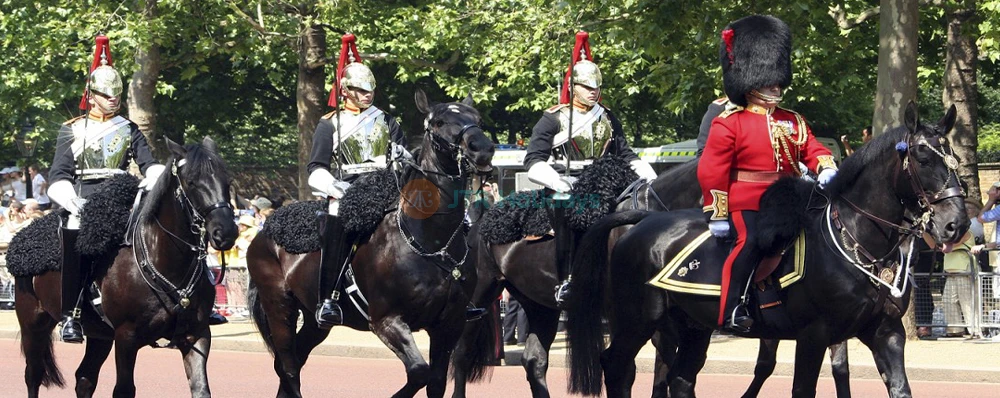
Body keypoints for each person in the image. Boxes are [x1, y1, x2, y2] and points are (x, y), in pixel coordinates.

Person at [698, 15, 838, 333]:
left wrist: (826, 167)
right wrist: (717, 212)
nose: (775, 85)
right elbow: (712, 170)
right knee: (748, 244)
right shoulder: (730, 122)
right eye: (767, 80)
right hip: (746, 201)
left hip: (790, 198)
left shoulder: (792, 120)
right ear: (749, 82)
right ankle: (731, 308)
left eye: (777, 79)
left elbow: (812, 149)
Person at [524, 31, 658, 306]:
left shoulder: (607, 116)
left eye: (597, 86)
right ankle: (566, 279)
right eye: (587, 86)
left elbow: (625, 152)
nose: (594, 91)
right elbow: (534, 159)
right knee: (567, 213)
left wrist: (649, 174)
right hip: (566, 180)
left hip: (607, 180)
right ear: (573, 87)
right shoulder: (553, 118)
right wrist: (557, 181)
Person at [47, 35, 167, 343]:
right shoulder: (72, 129)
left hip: (122, 195)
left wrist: (155, 177)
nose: (112, 98)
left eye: (116, 93)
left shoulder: (128, 129)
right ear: (91, 94)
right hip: (83, 198)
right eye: (105, 93)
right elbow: (58, 174)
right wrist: (71, 201)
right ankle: (70, 315)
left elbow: (148, 163)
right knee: (75, 229)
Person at [306, 34, 408, 328]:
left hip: (388, 187)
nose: (368, 95)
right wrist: (334, 188)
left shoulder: (387, 120)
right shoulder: (329, 124)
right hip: (348, 190)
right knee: (336, 223)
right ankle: (328, 299)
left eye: (370, 90)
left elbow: (403, 156)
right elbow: (315, 168)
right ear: (345, 90)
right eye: (361, 90)